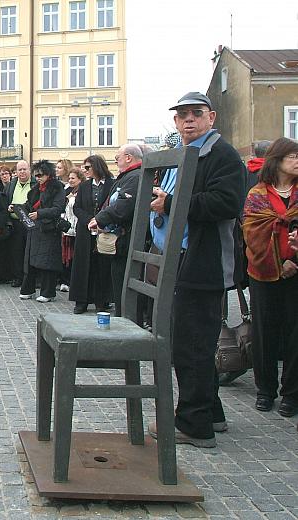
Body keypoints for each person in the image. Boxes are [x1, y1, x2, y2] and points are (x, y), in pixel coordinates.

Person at [146, 91, 247, 448]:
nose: (188, 120)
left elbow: (226, 203)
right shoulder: (187, 155)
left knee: (191, 345)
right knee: (192, 342)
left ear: (211, 117)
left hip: (204, 264)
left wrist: (171, 202)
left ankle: (194, 424)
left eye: (195, 114)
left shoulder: (221, 154)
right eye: (182, 115)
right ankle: (211, 412)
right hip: (184, 258)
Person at [241, 137, 298, 417]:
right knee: (265, 332)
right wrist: (278, 262)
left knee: (295, 333)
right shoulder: (257, 194)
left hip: (296, 271)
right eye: (293, 157)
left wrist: (292, 259)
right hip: (263, 273)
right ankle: (265, 390)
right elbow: (253, 233)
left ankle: (291, 393)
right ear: (278, 160)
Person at [89, 144, 143, 316]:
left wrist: (100, 219)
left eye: (117, 158)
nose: (116, 162)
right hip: (120, 242)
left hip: (127, 241)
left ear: (128, 157)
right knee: (119, 285)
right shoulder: (127, 176)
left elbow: (123, 206)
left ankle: (128, 323)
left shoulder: (134, 177)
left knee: (125, 288)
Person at [69, 155, 114, 314]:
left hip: (104, 230)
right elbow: (77, 208)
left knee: (102, 265)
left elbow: (113, 206)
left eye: (87, 167)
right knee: (83, 265)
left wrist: (100, 220)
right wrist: (90, 220)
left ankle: (101, 300)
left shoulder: (111, 184)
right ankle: (81, 301)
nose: (85, 170)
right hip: (86, 231)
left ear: (97, 167)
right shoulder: (84, 186)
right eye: (84, 167)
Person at [19, 161, 65, 302]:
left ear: (48, 174)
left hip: (49, 229)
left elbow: (58, 208)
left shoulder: (57, 188)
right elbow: (28, 205)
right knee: (30, 260)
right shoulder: (35, 189)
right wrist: (16, 207)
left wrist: (40, 213)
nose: (38, 178)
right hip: (35, 229)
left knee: (47, 261)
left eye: (41, 175)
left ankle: (48, 292)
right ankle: (28, 289)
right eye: (36, 175)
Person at [6, 160, 35, 287]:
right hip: (15, 223)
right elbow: (5, 200)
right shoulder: (11, 184)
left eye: (24, 169)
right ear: (16, 172)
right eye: (19, 170)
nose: (22, 172)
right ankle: (18, 277)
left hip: (30, 222)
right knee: (16, 251)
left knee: (30, 251)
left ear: (30, 170)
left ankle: (31, 278)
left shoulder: (35, 184)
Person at [59, 168, 83, 293]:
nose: (70, 180)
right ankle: (65, 280)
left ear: (80, 179)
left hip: (78, 228)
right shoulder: (67, 190)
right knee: (66, 256)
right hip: (68, 228)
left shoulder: (83, 191)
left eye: (73, 178)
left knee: (75, 256)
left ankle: (73, 282)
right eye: (69, 178)